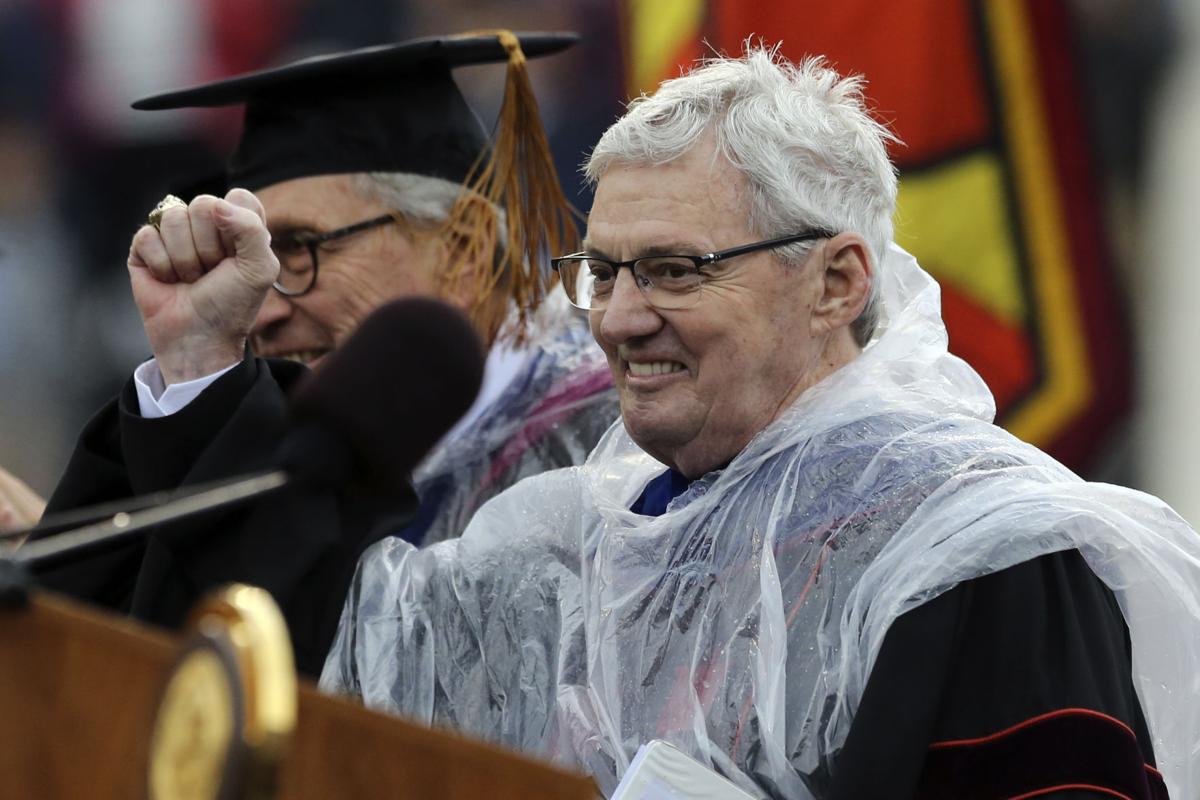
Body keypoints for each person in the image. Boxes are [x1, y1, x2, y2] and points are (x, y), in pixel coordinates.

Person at [316, 50, 1200, 799]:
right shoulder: (571, 544)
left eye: (672, 270)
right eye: (604, 271)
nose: (618, 319)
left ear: (837, 283)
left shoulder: (986, 552)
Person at [30, 32, 619, 676]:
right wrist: (196, 356)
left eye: (303, 248)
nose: (264, 305)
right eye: (249, 258)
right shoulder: (283, 441)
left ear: (466, 248)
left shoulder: (605, 450)